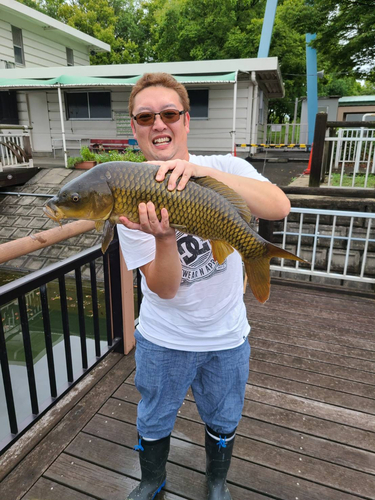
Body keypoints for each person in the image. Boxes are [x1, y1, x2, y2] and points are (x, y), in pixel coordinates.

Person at [117, 72, 291, 500]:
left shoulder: (225, 167)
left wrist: (199, 172)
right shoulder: (129, 193)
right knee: (154, 416)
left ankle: (216, 481)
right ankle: (151, 480)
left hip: (226, 335)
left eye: (169, 113)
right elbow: (164, 288)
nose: (158, 124)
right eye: (145, 117)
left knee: (224, 415)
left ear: (186, 121)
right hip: (164, 337)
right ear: (135, 128)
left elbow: (279, 205)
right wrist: (162, 237)